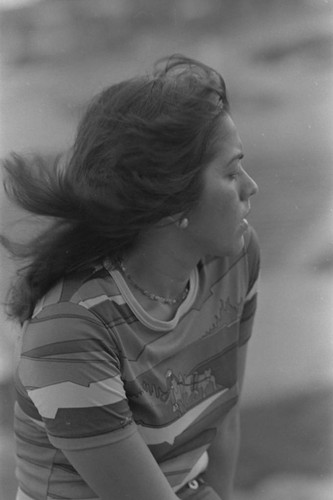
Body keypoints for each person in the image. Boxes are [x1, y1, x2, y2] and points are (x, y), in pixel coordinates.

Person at [1, 55, 259, 500]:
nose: (250, 187)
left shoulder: (231, 260)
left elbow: (224, 415)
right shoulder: (70, 328)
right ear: (172, 204)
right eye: (231, 172)